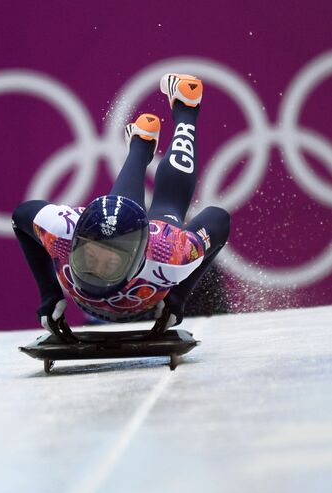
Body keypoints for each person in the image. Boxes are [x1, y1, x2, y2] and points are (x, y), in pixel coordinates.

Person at [12, 73, 230, 334]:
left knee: (170, 205)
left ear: (139, 257)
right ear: (76, 241)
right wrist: (49, 294)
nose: (96, 272)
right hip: (139, 275)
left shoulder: (169, 254)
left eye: (110, 264)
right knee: (121, 209)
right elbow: (20, 217)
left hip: (154, 243)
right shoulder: (62, 230)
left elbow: (218, 220)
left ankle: (185, 111)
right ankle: (141, 143)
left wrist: (178, 296)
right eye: (89, 257)